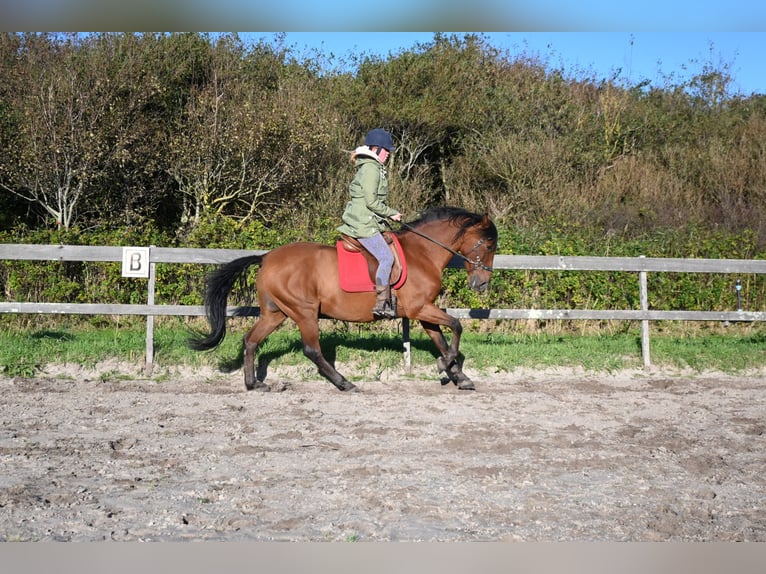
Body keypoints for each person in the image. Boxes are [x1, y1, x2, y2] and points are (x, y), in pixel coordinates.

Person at [337, 128, 403, 318]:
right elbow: (371, 202)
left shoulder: (373, 167)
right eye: (386, 150)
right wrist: (392, 214)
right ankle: (382, 303)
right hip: (363, 224)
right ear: (375, 149)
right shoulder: (370, 169)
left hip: (368, 220)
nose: (389, 154)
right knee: (386, 257)